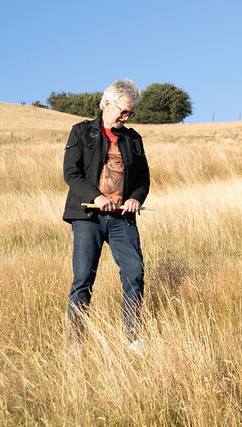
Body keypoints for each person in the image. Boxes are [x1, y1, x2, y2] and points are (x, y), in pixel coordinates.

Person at [63, 79, 149, 345]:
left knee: (134, 272)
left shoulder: (133, 138)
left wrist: (135, 199)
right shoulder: (81, 131)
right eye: (123, 111)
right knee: (83, 277)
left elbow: (143, 179)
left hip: (122, 218)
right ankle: (76, 343)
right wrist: (96, 197)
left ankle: (133, 339)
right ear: (108, 104)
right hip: (88, 216)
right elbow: (71, 174)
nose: (127, 116)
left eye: (131, 113)